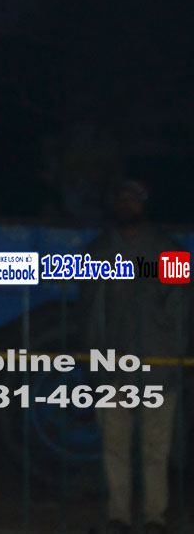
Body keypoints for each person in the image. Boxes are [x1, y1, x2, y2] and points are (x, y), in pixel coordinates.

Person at [84, 180, 188, 534]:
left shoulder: (169, 251)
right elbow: (88, 312)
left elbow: (184, 310)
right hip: (111, 367)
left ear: (146, 205)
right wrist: (94, 360)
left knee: (156, 449)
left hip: (157, 366)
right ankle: (119, 516)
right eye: (122, 198)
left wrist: (172, 358)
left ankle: (154, 517)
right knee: (115, 447)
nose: (127, 204)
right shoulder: (97, 253)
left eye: (134, 199)